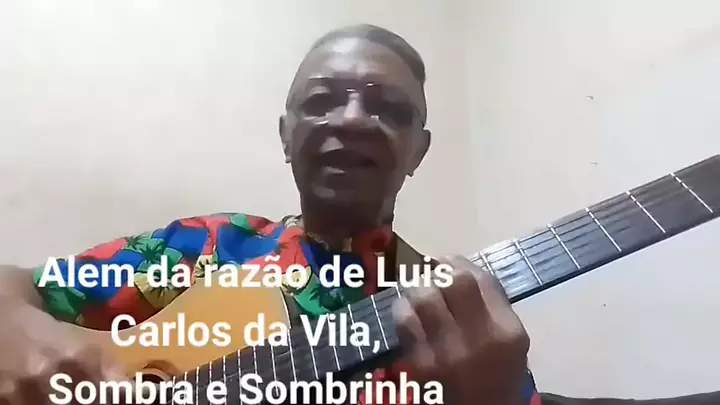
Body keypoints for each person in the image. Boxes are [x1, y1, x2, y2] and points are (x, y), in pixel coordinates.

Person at [0, 24, 717, 405]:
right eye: (322, 101)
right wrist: (24, 330)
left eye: (388, 108)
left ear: (417, 151)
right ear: (287, 137)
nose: (351, 119)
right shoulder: (207, 249)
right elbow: (16, 286)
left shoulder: (454, 316)